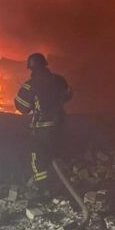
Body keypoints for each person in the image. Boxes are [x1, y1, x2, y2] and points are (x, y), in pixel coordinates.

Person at [14, 53, 72, 190]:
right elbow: (68, 95)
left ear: (32, 69)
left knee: (37, 155)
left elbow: (22, 108)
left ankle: (42, 187)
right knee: (55, 154)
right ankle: (61, 182)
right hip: (60, 125)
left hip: (43, 128)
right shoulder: (59, 80)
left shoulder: (30, 85)